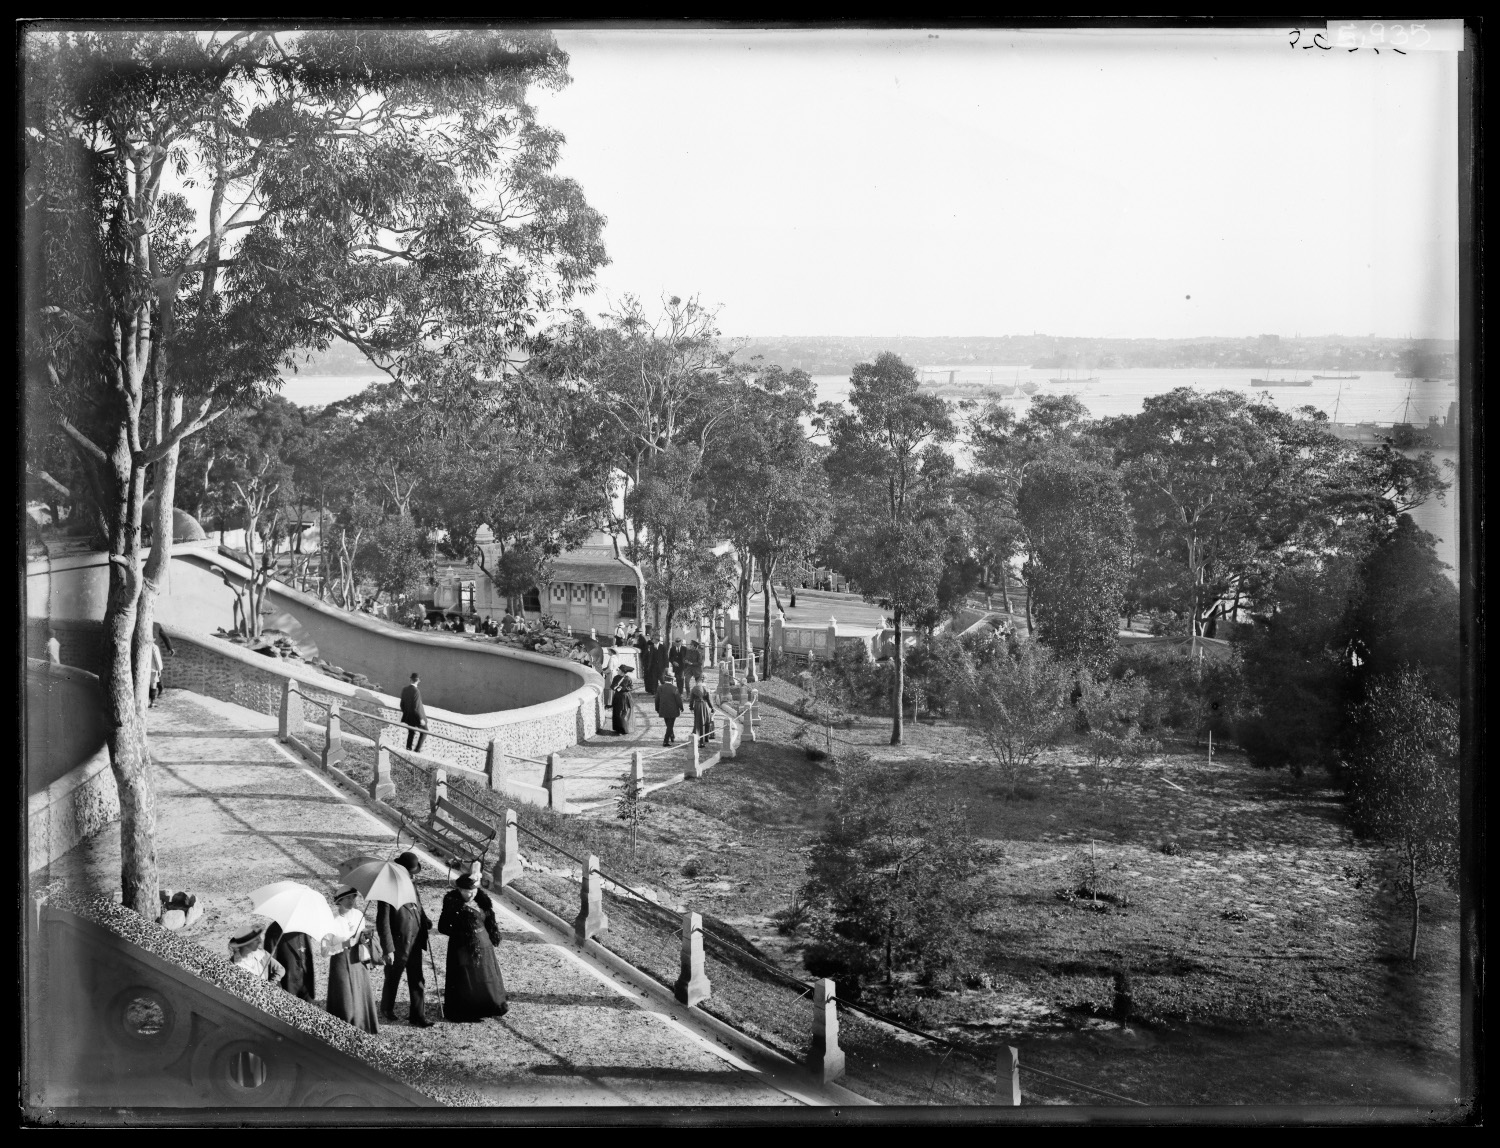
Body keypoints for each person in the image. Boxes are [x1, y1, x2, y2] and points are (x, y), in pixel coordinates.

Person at [437, 873, 508, 1022]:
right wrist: (462, 935)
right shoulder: (452, 903)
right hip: (464, 948)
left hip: (484, 946)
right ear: (460, 889)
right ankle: (468, 1009)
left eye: (474, 891)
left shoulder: (482, 901)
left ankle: (489, 1005)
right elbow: (443, 927)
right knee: (466, 979)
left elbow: (489, 921)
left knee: (486, 976)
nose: (471, 895)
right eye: (468, 891)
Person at [377, 851, 433, 1027]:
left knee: (417, 979)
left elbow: (418, 908)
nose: (411, 875)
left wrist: (425, 921)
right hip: (398, 942)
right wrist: (388, 948)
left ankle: (418, 1015)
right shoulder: (387, 889)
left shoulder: (412, 885)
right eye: (409, 872)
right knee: (393, 977)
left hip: (415, 940)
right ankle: (386, 1008)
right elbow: (383, 921)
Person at [325, 886, 381, 1034]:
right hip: (340, 962)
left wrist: (364, 939)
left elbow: (361, 939)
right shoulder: (332, 921)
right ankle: (344, 1031)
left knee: (360, 994)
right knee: (345, 997)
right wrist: (344, 944)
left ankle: (363, 1027)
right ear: (339, 900)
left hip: (358, 961)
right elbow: (325, 951)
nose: (351, 901)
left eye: (354, 897)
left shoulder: (358, 915)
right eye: (348, 898)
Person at [262, 920, 317, 1003]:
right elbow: (271, 964)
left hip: (306, 984)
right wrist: (277, 991)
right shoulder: (274, 930)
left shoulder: (305, 926)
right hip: (287, 985)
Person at [400, 672, 428, 753]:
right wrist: (420, 719)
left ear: (410, 680)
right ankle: (417, 750)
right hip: (416, 716)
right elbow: (416, 707)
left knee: (411, 732)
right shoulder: (416, 691)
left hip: (408, 716)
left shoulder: (405, 689)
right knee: (425, 731)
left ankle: (408, 748)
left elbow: (402, 705)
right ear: (418, 681)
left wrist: (407, 713)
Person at [655, 671, 682, 747]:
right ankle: (665, 741)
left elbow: (657, 699)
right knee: (670, 725)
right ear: (672, 680)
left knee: (668, 724)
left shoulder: (660, 687)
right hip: (673, 710)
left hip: (663, 709)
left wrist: (657, 708)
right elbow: (678, 700)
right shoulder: (674, 688)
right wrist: (681, 707)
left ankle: (672, 735)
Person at [688, 674, 716, 747]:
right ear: (705, 680)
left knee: (698, 722)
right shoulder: (706, 688)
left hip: (697, 706)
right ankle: (704, 739)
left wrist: (691, 707)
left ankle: (700, 740)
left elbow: (691, 700)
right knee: (706, 722)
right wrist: (712, 708)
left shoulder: (694, 688)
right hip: (705, 705)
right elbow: (709, 700)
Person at [610, 669, 635, 735]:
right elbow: (612, 686)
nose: (617, 671)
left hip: (625, 697)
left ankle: (624, 729)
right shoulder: (616, 677)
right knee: (617, 712)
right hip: (617, 697)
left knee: (624, 712)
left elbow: (631, 687)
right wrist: (615, 687)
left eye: (619, 670)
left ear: (622, 672)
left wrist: (623, 688)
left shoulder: (628, 678)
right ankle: (618, 729)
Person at [147, 640, 164, 708]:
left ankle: (147, 701)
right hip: (153, 669)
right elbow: (157, 658)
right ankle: (152, 702)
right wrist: (159, 669)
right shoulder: (154, 647)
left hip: (144, 669)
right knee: (153, 685)